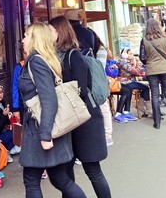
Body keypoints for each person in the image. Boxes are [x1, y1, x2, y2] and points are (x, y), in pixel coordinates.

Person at [18, 22, 86, 198]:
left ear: (34, 38)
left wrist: (45, 135)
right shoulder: (47, 59)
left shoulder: (36, 62)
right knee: (60, 179)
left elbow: (49, 99)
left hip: (41, 129)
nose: (22, 40)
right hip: (47, 127)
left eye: (26, 36)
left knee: (32, 181)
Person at [50, 16, 112, 198]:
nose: (47, 34)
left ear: (60, 32)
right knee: (67, 171)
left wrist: (59, 91)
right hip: (68, 121)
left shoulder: (74, 55)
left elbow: (82, 89)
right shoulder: (54, 57)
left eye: (50, 30)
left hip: (85, 120)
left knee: (93, 170)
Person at [139, 18, 166, 129]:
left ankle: (157, 123)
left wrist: (150, 62)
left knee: (155, 95)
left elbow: (142, 57)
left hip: (152, 70)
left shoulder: (144, 40)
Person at [113, 49, 150, 123]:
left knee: (141, 88)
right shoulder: (123, 62)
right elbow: (136, 72)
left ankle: (127, 111)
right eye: (130, 54)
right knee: (144, 88)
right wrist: (138, 62)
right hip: (125, 82)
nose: (132, 55)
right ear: (125, 55)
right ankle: (144, 107)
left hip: (128, 82)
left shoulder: (126, 62)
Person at [94, 37, 114, 146]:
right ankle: (105, 135)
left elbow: (100, 68)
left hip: (98, 82)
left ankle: (107, 136)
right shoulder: (97, 50)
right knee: (103, 108)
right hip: (98, 81)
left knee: (103, 106)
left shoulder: (101, 50)